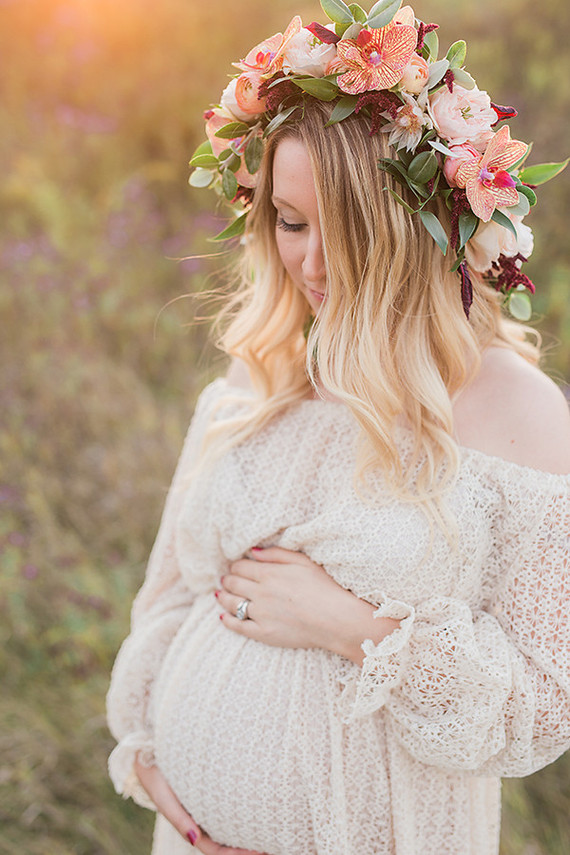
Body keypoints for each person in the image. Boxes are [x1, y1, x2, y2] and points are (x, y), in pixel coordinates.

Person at [106, 5, 570, 854]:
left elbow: (544, 708)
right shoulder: (262, 371)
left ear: (424, 226)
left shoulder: (519, 413)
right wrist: (150, 757)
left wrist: (350, 624)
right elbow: (169, 595)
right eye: (290, 222)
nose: (312, 264)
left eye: (346, 231)